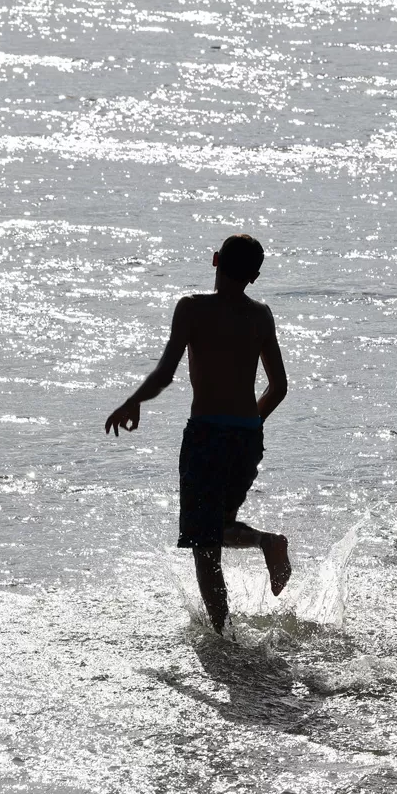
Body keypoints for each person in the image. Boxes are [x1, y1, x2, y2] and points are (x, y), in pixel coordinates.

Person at [105, 234, 290, 634]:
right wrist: (250, 424)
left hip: (206, 435)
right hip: (246, 437)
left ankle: (223, 635)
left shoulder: (192, 308)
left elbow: (166, 372)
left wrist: (134, 401)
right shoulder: (261, 315)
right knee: (216, 529)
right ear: (255, 276)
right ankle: (265, 544)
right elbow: (279, 387)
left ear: (215, 260)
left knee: (204, 546)